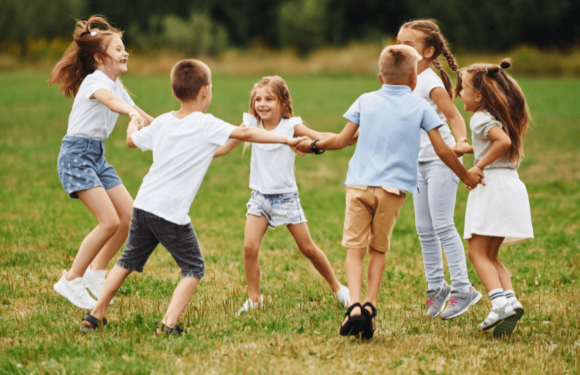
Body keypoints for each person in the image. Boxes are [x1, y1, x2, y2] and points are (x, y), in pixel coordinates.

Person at [80, 60, 308, 334]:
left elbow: (132, 141)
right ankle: (169, 323)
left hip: (143, 205)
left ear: (175, 94)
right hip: (170, 213)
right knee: (193, 268)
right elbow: (246, 132)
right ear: (205, 92)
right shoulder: (206, 124)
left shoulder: (164, 120)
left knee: (127, 260)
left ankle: (95, 314)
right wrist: (286, 140)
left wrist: (132, 122)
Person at [297, 45, 483, 339]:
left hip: (359, 184)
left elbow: (343, 140)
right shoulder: (420, 107)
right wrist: (466, 174)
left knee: (354, 249)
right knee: (378, 249)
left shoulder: (365, 100)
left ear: (380, 77)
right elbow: (442, 150)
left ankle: (354, 306)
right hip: (393, 190)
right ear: (413, 79)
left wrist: (313, 145)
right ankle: (371, 305)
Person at [49, 16, 154, 309]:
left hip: (96, 155)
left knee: (129, 217)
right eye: (119, 49)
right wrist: (129, 114)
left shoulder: (114, 82)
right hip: (76, 156)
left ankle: (96, 272)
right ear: (100, 57)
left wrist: (170, 129)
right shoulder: (95, 81)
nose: (126, 53)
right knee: (108, 222)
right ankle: (71, 280)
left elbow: (139, 113)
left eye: (125, 47)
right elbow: (112, 102)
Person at [221, 76, 349, 314]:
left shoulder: (291, 126)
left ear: (282, 103)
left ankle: (339, 288)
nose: (262, 104)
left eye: (269, 98)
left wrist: (348, 137)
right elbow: (223, 147)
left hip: (286, 198)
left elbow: (319, 136)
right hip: (259, 197)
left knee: (308, 248)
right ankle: (254, 298)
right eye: (258, 99)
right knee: (249, 248)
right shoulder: (250, 125)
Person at [397, 19, 481, 319]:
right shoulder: (400, 79)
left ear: (428, 52)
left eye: (407, 45)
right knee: (424, 229)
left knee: (443, 224)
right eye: (398, 43)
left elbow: (453, 116)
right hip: (416, 162)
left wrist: (460, 140)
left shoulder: (429, 81)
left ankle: (463, 288)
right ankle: (437, 288)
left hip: (441, 160)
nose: (399, 48)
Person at [454, 59, 533, 337]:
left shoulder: (478, 117)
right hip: (511, 185)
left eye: (462, 88)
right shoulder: (498, 116)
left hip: (492, 187)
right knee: (491, 254)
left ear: (478, 96)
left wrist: (478, 165)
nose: (458, 93)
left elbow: (502, 143)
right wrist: (469, 151)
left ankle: (498, 304)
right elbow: (495, 142)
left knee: (476, 252)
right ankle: (510, 300)